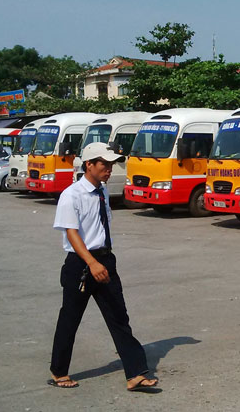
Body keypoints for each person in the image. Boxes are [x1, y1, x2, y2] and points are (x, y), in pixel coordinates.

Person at [48, 142, 158, 392]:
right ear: (89, 165)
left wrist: (102, 261)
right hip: (82, 264)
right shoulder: (72, 195)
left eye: (111, 165)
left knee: (119, 317)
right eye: (104, 165)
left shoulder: (103, 191)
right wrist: (92, 262)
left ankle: (135, 374)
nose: (110, 169)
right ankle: (59, 370)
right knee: (70, 318)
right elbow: (72, 233)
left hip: (105, 260)